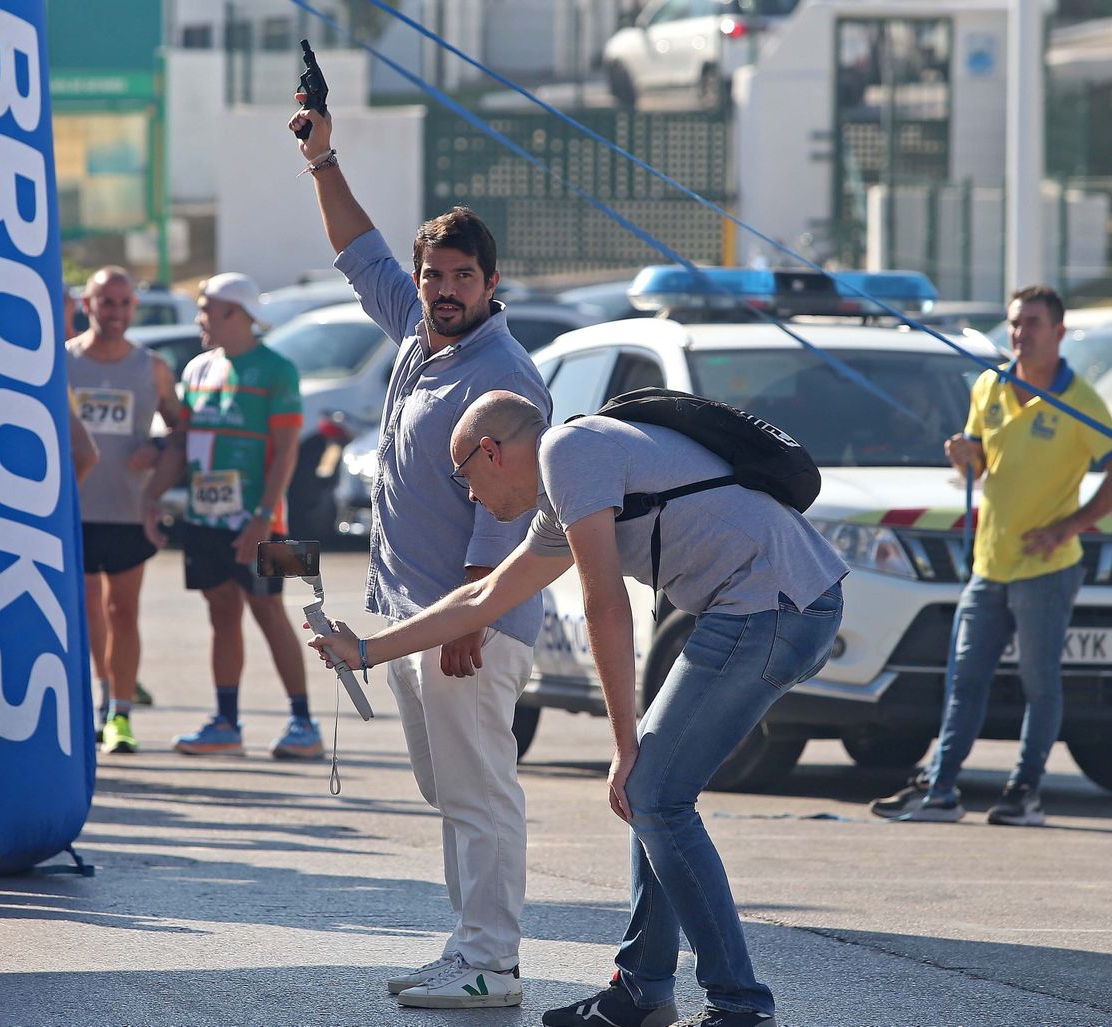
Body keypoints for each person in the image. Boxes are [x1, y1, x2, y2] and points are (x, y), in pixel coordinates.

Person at [309, 391, 847, 1027]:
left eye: (468, 480)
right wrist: (367, 649)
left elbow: (605, 605)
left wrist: (623, 746)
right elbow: (484, 596)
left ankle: (739, 1006)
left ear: (492, 452)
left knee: (653, 794)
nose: (472, 498)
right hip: (771, 604)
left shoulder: (570, 451)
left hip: (775, 605)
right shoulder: (567, 486)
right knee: (654, 796)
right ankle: (643, 990)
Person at [288, 93, 553, 1010]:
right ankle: (473, 945)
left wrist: (471, 620)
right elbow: (356, 247)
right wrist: (323, 160)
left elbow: (510, 509)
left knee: (480, 794)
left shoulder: (504, 374)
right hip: (414, 621)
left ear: (490, 282)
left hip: (469, 622)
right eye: (434, 272)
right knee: (452, 792)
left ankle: (494, 961)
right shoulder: (414, 334)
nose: (445, 288)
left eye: (462, 275)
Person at [871, 285, 1112, 827]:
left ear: (1059, 333)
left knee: (1040, 687)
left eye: (1033, 323)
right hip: (989, 564)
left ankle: (1024, 792)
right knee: (964, 680)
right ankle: (942, 789)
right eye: (1016, 323)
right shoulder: (989, 385)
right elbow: (981, 467)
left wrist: (1068, 527)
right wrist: (964, 457)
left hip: (1046, 570)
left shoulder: (1080, 399)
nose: (1021, 334)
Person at [144, 272, 323, 761]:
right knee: (220, 612)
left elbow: (288, 452)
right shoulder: (198, 369)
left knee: (271, 612)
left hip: (270, 519)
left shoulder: (279, 370)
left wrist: (263, 516)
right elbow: (181, 442)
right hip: (206, 518)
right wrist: (153, 497)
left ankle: (303, 724)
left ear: (233, 312)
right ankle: (226, 723)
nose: (199, 317)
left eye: (205, 308)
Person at [66, 267, 179, 754]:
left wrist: (155, 450)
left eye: (123, 303)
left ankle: (121, 714)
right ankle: (102, 697)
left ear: (135, 307)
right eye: (104, 302)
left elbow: (179, 431)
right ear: (86, 306)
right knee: (90, 604)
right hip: (74, 507)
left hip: (128, 508)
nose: (114, 313)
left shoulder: (150, 367)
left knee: (122, 609)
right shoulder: (61, 364)